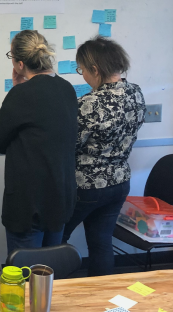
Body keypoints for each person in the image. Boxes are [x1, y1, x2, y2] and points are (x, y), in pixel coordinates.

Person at [0, 30, 77, 255]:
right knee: (51, 271)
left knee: (25, 275)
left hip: (29, 202)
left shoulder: (22, 94)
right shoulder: (67, 89)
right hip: (60, 197)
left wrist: (17, 89)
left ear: (19, 64)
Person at [62, 36, 145, 276]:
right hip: (119, 181)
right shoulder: (136, 93)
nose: (83, 76)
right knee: (101, 242)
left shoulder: (89, 103)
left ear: (95, 70)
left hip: (86, 186)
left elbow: (72, 145)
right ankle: (103, 298)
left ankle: (54, 295)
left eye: (82, 70)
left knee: (57, 239)